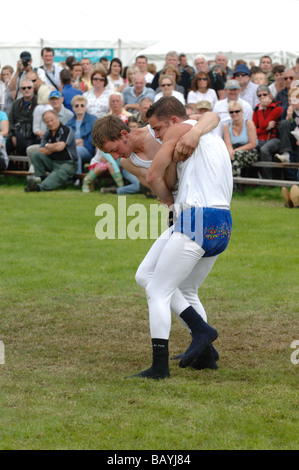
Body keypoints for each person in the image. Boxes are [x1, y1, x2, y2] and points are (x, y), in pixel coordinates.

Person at [91, 104, 224, 378]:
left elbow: (211, 116)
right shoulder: (129, 160)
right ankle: (205, 349)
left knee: (159, 288)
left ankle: (171, 358)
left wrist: (195, 132)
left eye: (113, 149)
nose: (115, 157)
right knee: (162, 282)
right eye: (109, 155)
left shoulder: (162, 128)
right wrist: (170, 195)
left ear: (125, 133)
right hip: (187, 210)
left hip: (196, 210)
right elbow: (157, 186)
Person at [141, 97, 232, 378]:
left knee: (158, 290)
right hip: (223, 222)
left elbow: (209, 116)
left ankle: (160, 367)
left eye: (157, 128)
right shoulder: (208, 135)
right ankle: (205, 355)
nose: (155, 135)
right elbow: (211, 117)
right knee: (186, 289)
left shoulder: (189, 131)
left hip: (197, 218)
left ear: (173, 122)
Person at [25, 110, 77, 192]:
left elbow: (60, 147)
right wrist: (54, 147)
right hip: (53, 162)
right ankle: (43, 179)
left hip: (68, 163)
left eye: (52, 120)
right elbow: (41, 150)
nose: (50, 123)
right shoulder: (46, 134)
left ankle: (38, 188)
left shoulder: (66, 130)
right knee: (36, 155)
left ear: (57, 119)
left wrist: (48, 146)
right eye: (47, 122)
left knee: (58, 174)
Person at [252, 85, 283, 179]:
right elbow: (254, 130)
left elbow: (262, 124)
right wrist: (265, 129)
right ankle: (253, 178)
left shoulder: (277, 108)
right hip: (260, 138)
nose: (262, 98)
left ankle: (268, 180)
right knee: (250, 147)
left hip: (274, 139)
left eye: (264, 95)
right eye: (259, 96)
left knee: (264, 150)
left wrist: (261, 110)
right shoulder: (257, 108)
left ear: (269, 95)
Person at [223, 101, 258, 177]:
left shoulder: (249, 123)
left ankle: (236, 184)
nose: (234, 114)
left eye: (237, 111)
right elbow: (228, 144)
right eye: (231, 112)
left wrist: (235, 151)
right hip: (234, 151)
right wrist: (230, 151)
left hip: (249, 152)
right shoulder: (226, 126)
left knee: (234, 157)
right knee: (226, 157)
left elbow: (253, 144)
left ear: (242, 112)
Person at [66, 95, 97, 174]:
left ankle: (78, 176)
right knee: (73, 151)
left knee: (76, 150)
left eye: (82, 105)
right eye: (77, 105)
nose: (79, 107)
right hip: (73, 149)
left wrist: (83, 142)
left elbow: (93, 139)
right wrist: (77, 142)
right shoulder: (69, 123)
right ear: (73, 108)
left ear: (85, 107)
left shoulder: (93, 120)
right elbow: (66, 140)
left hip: (89, 150)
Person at [6, 79, 38, 156]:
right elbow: (11, 120)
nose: (26, 90)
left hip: (33, 135)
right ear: (20, 90)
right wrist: (12, 135)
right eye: (24, 88)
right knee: (5, 145)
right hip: (17, 133)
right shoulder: (16, 104)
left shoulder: (39, 102)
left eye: (29, 87)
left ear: (33, 88)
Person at [275, 85, 299, 167]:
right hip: (291, 138)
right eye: (289, 100)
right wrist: (288, 117)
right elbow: (282, 128)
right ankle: (286, 153)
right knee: (284, 122)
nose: (291, 103)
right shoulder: (287, 110)